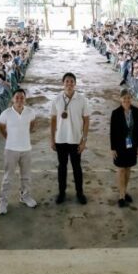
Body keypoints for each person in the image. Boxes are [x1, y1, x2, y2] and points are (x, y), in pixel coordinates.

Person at [50, 72, 91, 205]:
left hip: (75, 140)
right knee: (62, 167)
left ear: (75, 83)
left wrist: (84, 141)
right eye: (67, 81)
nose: (69, 84)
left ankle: (80, 193)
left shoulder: (81, 99)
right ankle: (61, 192)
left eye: (71, 81)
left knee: (76, 167)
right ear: (63, 83)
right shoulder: (57, 99)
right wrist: (52, 139)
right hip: (60, 139)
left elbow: (86, 120)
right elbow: (53, 120)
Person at [0, 88, 37, 215]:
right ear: (12, 99)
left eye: (22, 97)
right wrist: (11, 139)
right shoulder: (6, 113)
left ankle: (25, 197)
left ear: (25, 99)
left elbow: (31, 126)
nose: (19, 99)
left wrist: (22, 137)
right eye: (17, 97)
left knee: (26, 176)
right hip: (11, 149)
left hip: (26, 149)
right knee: (8, 177)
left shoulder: (30, 112)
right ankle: (3, 201)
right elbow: (2, 129)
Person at [110, 88, 138, 207]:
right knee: (121, 169)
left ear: (131, 99)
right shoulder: (116, 113)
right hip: (119, 146)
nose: (127, 100)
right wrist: (113, 148)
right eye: (124, 98)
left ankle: (125, 190)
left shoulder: (136, 112)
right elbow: (112, 132)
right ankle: (121, 195)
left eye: (128, 98)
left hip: (132, 145)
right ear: (120, 99)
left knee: (128, 168)